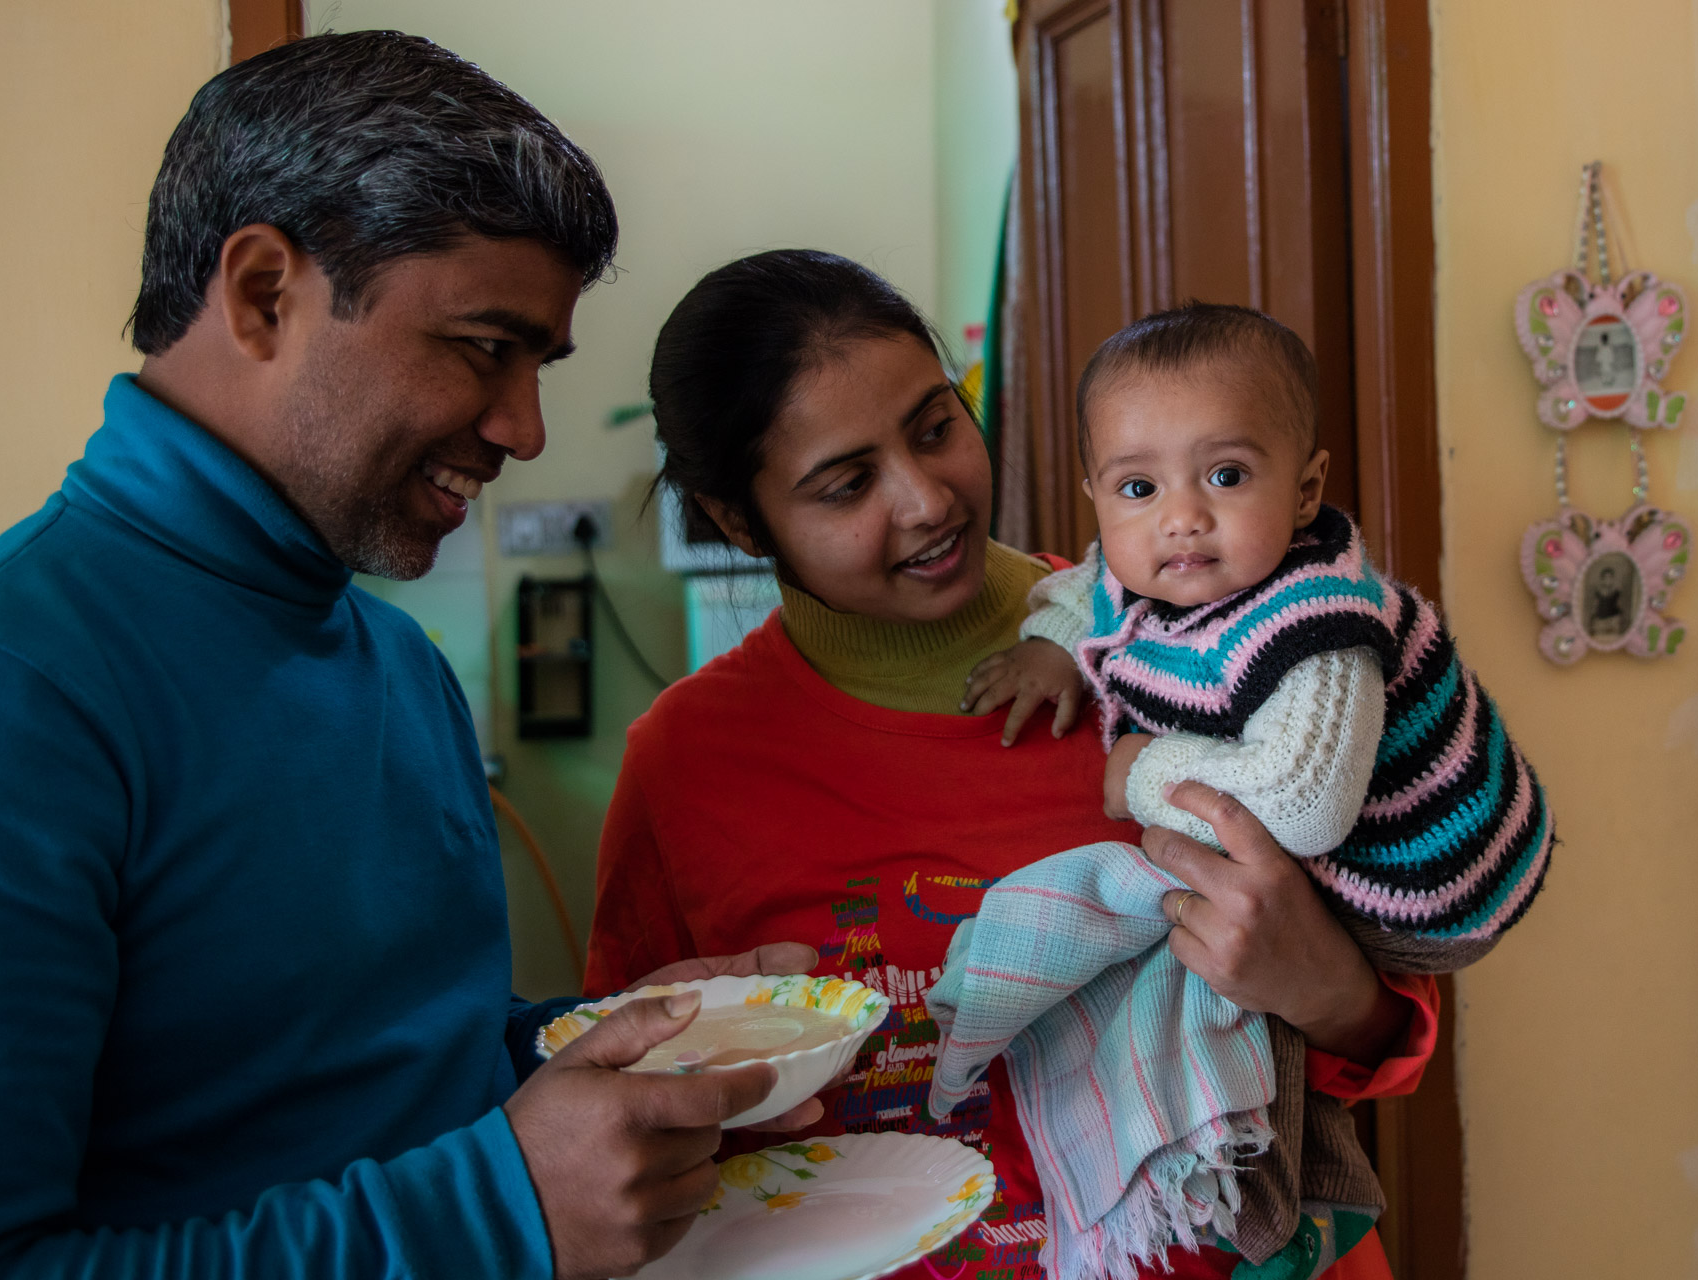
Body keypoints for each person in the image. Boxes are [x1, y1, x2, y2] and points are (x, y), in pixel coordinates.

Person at [0, 32, 812, 1280]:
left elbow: (387, 1079)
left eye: (539, 365)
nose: (524, 429)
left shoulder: (393, 657)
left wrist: (628, 1044)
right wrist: (501, 1209)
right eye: (485, 346)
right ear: (265, 291)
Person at [586, 250, 1442, 1280]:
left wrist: (1323, 985)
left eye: (935, 427)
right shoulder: (686, 764)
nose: (926, 499)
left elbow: (1393, 1034)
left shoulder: (1194, 637)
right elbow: (633, 1115)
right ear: (737, 519)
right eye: (848, 483)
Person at [967, 303, 1554, 963]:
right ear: (1097, 499)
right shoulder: (1148, 562)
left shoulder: (1315, 630)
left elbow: (1304, 808)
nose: (1181, 517)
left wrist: (1144, 772)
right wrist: (1053, 644)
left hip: (1423, 880)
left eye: (1226, 476)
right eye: (1138, 487)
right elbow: (1092, 585)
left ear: (1305, 490)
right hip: (1330, 825)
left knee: (1186, 953)